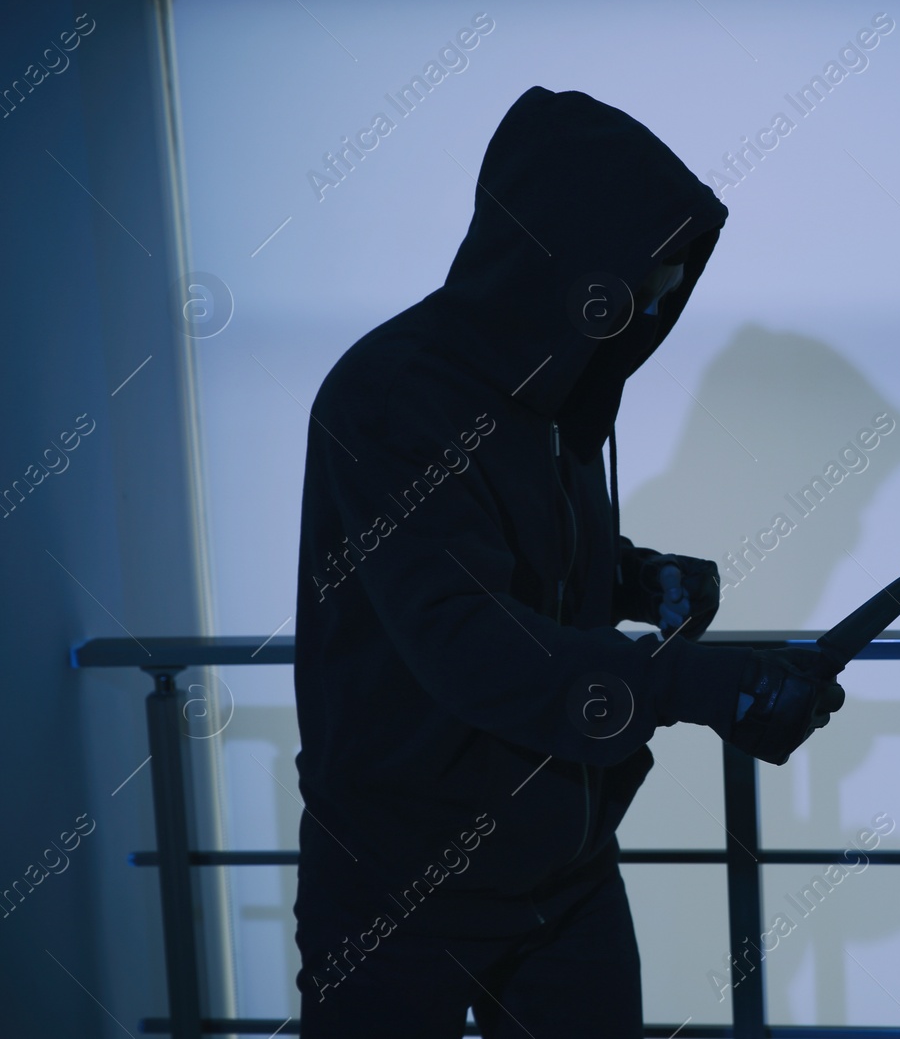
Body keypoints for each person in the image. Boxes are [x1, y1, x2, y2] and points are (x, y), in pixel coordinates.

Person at [291, 86, 846, 1038]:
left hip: (564, 868)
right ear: (566, 259)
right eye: (652, 274)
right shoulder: (388, 399)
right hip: (397, 888)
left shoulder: (559, 397)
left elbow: (514, 551)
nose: (665, 296)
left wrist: (636, 575)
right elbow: (469, 639)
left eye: (674, 274)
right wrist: (701, 685)